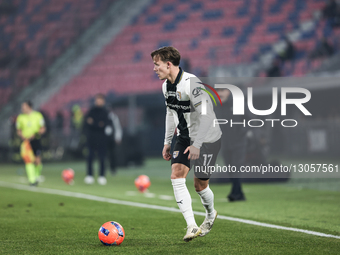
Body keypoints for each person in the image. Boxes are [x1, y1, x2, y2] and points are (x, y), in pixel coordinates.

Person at [151, 46, 222, 242]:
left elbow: (207, 116)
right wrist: (167, 142)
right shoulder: (166, 86)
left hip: (207, 137)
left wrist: (197, 144)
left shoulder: (192, 84)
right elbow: (170, 113)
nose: (154, 69)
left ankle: (210, 214)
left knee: (200, 185)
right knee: (176, 175)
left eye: (156, 65)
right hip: (183, 136)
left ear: (168, 64)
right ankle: (191, 225)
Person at [215, 89, 247, 202]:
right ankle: (239, 193)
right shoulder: (216, 106)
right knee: (230, 168)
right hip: (225, 142)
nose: (220, 93)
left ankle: (235, 193)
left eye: (222, 91)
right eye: (218, 91)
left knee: (236, 167)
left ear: (228, 92)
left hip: (239, 142)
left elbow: (249, 119)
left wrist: (242, 131)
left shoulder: (238, 103)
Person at [83, 94, 112, 185]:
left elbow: (106, 124)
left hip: (102, 139)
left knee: (102, 158)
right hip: (91, 138)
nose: (99, 102)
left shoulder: (105, 112)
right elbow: (87, 123)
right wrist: (98, 124)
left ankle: (102, 176)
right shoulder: (91, 111)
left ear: (103, 101)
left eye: (100, 100)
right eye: (97, 100)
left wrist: (94, 123)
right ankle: (89, 175)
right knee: (90, 157)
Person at [16, 101, 46, 186]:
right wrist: (22, 136)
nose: (22, 108)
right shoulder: (20, 117)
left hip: (36, 140)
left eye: (24, 106)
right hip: (26, 142)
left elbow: (43, 129)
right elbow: (18, 130)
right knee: (28, 160)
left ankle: (36, 176)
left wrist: (35, 134)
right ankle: (32, 180)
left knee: (37, 160)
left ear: (29, 107)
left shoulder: (38, 115)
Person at [107, 108, 123, 174]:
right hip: (103, 138)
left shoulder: (114, 117)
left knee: (112, 154)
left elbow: (117, 127)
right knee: (103, 155)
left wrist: (118, 137)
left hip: (111, 138)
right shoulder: (102, 116)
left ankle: (113, 168)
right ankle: (103, 169)